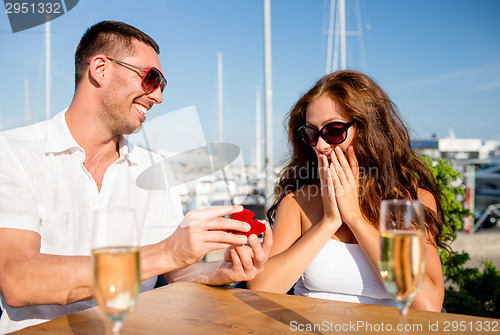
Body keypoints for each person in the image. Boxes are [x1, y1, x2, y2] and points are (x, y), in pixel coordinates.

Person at [0, 21, 272, 334]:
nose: (158, 97)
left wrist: (220, 270)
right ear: (101, 69)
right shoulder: (13, 153)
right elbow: (18, 280)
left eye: (162, 84)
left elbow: (176, 274)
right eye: (151, 78)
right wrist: (167, 251)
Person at [247, 70, 449, 312]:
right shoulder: (299, 202)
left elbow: (426, 305)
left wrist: (356, 219)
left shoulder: (405, 202)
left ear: (367, 131)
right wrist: (328, 222)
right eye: (311, 133)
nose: (320, 146)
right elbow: (261, 288)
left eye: (333, 131)